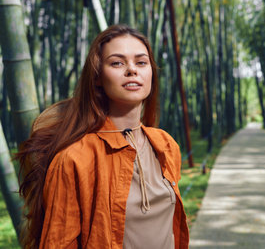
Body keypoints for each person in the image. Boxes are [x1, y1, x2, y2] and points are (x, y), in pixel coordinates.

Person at [17, 24, 189, 249]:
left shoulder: (166, 145)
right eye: (117, 62)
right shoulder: (75, 158)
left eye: (141, 62)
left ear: (151, 74)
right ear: (97, 77)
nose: (132, 70)